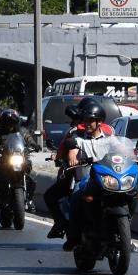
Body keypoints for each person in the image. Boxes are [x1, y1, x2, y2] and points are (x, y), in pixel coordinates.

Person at [44, 100, 111, 246]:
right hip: (85, 178)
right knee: (75, 196)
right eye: (85, 119)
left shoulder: (110, 134)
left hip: (106, 177)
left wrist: (135, 156)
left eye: (91, 120)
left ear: (99, 121)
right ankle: (73, 235)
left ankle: (124, 235)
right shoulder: (77, 134)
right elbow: (71, 147)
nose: (86, 123)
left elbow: (120, 147)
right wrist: (72, 157)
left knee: (131, 193)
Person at [0, 108, 41, 213]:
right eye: (7, 122)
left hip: (20, 159)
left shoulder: (22, 131)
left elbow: (28, 138)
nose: (9, 124)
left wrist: (34, 144)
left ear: (16, 122)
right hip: (3, 161)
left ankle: (29, 199)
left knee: (32, 175)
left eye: (12, 122)